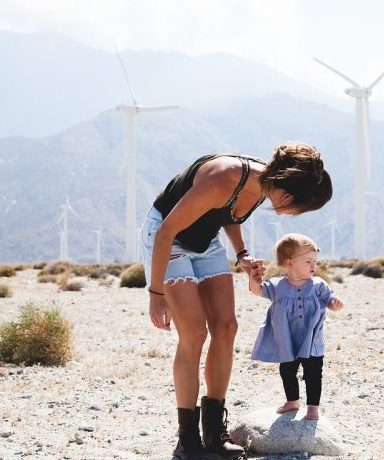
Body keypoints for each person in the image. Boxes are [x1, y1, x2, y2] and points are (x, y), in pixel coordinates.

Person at [140, 143, 332, 459]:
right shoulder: (224, 176)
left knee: (227, 327)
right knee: (194, 334)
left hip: (206, 242)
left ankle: (214, 433)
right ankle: (187, 442)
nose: (296, 212)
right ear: (289, 188)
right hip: (167, 237)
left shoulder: (263, 186)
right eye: (301, 204)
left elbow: (229, 213)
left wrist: (241, 254)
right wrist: (156, 293)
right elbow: (166, 231)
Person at [248, 233, 345, 421]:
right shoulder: (277, 287)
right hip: (287, 340)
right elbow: (257, 290)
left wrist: (335, 304)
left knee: (313, 373)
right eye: (308, 261)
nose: (313, 266)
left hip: (312, 341)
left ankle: (313, 406)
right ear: (289, 263)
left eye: (315, 261)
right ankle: (292, 400)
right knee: (287, 370)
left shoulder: (318, 285)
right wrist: (254, 277)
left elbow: (329, 301)